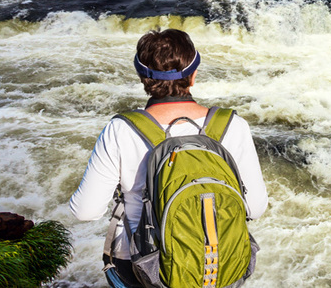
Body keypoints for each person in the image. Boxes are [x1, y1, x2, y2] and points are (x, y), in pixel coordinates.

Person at [70, 29, 268, 287]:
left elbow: (86, 211)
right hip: (219, 263)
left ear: (143, 78)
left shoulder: (121, 129)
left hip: (144, 268)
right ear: (193, 75)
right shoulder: (232, 125)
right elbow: (255, 207)